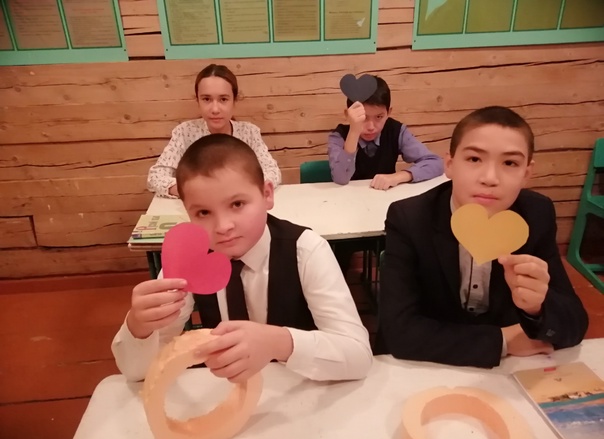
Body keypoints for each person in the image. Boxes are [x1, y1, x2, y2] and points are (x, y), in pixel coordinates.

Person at [113, 134, 372, 382]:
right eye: (203, 212)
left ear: (267, 194)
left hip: (299, 390)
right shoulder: (188, 260)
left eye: (237, 204)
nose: (223, 226)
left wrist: (277, 342)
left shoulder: (306, 251)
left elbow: (358, 357)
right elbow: (138, 372)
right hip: (225, 392)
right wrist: (139, 327)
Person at [375, 106, 588, 368]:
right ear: (450, 165)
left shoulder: (536, 214)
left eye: (510, 163)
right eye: (474, 159)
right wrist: (504, 340)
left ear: (526, 173)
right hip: (426, 369)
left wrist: (537, 308)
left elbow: (575, 323)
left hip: (505, 377)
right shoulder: (410, 218)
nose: (490, 178)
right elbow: (399, 332)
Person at [147, 64, 281, 198]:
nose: (215, 109)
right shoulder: (185, 133)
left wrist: (237, 190)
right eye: (206, 99)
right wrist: (194, 190)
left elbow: (272, 172)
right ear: (197, 100)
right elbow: (155, 177)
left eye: (223, 99)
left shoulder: (249, 133)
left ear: (234, 100)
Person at [328, 75, 443, 190]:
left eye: (379, 117)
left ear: (389, 113)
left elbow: (435, 162)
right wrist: (353, 132)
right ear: (348, 114)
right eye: (363, 117)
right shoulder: (339, 136)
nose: (371, 127)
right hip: (349, 197)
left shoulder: (396, 131)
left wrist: (399, 176)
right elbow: (341, 178)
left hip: (386, 196)